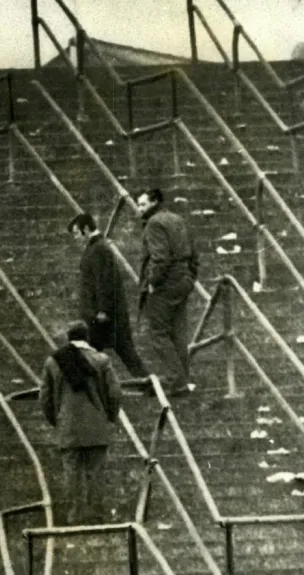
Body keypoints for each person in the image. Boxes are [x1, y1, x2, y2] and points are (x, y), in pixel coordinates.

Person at [39, 320, 121, 525]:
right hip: (96, 424)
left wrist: (56, 420)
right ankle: (96, 514)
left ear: (69, 338)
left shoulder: (53, 362)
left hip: (67, 425)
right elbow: (115, 393)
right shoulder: (102, 360)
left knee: (71, 472)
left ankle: (74, 514)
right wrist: (109, 416)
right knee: (95, 472)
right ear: (87, 338)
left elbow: (45, 398)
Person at [67, 212, 149, 380]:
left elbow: (105, 281)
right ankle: (147, 383)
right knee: (96, 352)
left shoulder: (99, 249)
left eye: (76, 233)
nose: (75, 238)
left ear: (87, 229)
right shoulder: (97, 248)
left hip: (102, 317)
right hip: (99, 316)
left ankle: (148, 383)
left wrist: (103, 310)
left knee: (108, 351)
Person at [136, 188, 199, 397]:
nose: (139, 209)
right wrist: (191, 276)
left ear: (154, 202)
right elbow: (193, 252)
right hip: (183, 280)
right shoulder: (178, 219)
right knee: (178, 333)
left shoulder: (154, 224)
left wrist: (152, 282)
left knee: (158, 333)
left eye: (143, 204)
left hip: (165, 283)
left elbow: (160, 257)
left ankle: (176, 380)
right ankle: (183, 380)